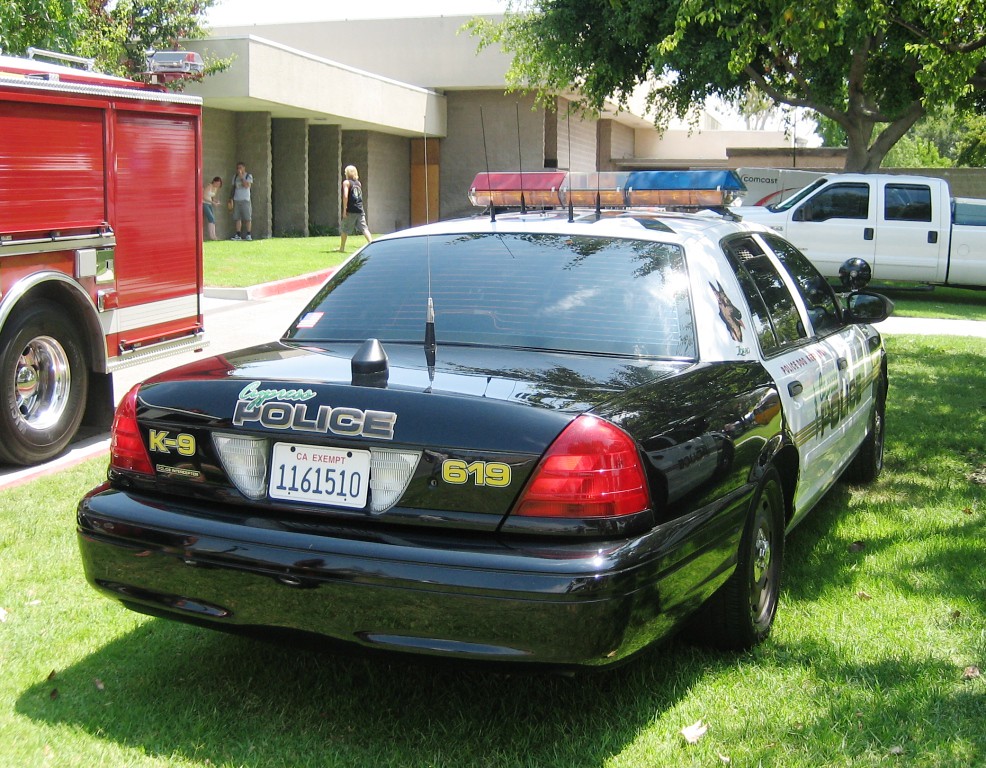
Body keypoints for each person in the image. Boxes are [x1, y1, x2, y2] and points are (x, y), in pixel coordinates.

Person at [338, 165, 372, 252]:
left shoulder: (346, 182)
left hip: (351, 209)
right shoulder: (358, 183)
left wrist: (344, 209)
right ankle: (371, 244)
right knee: (364, 228)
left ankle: (342, 248)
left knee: (344, 228)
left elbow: (345, 196)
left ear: (347, 173)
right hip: (360, 209)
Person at [230, 162, 253, 241]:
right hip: (237, 199)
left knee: (247, 218)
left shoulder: (248, 176)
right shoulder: (235, 177)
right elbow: (233, 188)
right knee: (237, 218)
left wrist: (241, 177)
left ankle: (248, 234)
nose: (239, 169)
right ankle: (238, 234)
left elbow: (247, 186)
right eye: (237, 168)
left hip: (245, 199)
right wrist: (231, 198)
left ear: (244, 168)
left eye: (240, 167)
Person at [202, 176, 223, 241]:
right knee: (211, 218)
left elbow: (212, 197)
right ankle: (212, 236)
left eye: (219, 184)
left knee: (212, 219)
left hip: (210, 204)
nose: (218, 185)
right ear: (214, 181)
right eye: (217, 183)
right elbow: (204, 196)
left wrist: (216, 201)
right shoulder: (209, 186)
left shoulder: (215, 189)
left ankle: (214, 235)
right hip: (205, 203)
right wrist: (213, 202)